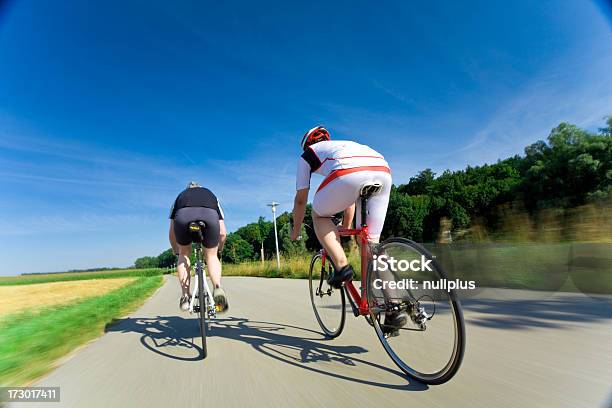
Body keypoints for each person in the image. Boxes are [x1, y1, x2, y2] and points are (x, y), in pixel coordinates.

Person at [290, 126, 407, 330]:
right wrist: (346, 227)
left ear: (308, 144)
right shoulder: (344, 146)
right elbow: (349, 200)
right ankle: (395, 308)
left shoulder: (307, 155)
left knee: (319, 214)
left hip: (348, 173)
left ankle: (342, 266)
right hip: (382, 171)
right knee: (372, 246)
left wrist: (296, 230)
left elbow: (301, 201)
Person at [169, 182, 228, 312]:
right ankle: (217, 288)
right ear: (200, 188)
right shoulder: (212, 196)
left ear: (188, 189)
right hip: (209, 216)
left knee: (184, 254)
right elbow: (223, 232)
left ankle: (185, 297)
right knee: (211, 256)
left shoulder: (179, 197)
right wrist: (219, 249)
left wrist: (176, 251)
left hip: (183, 217)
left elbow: (172, 233)